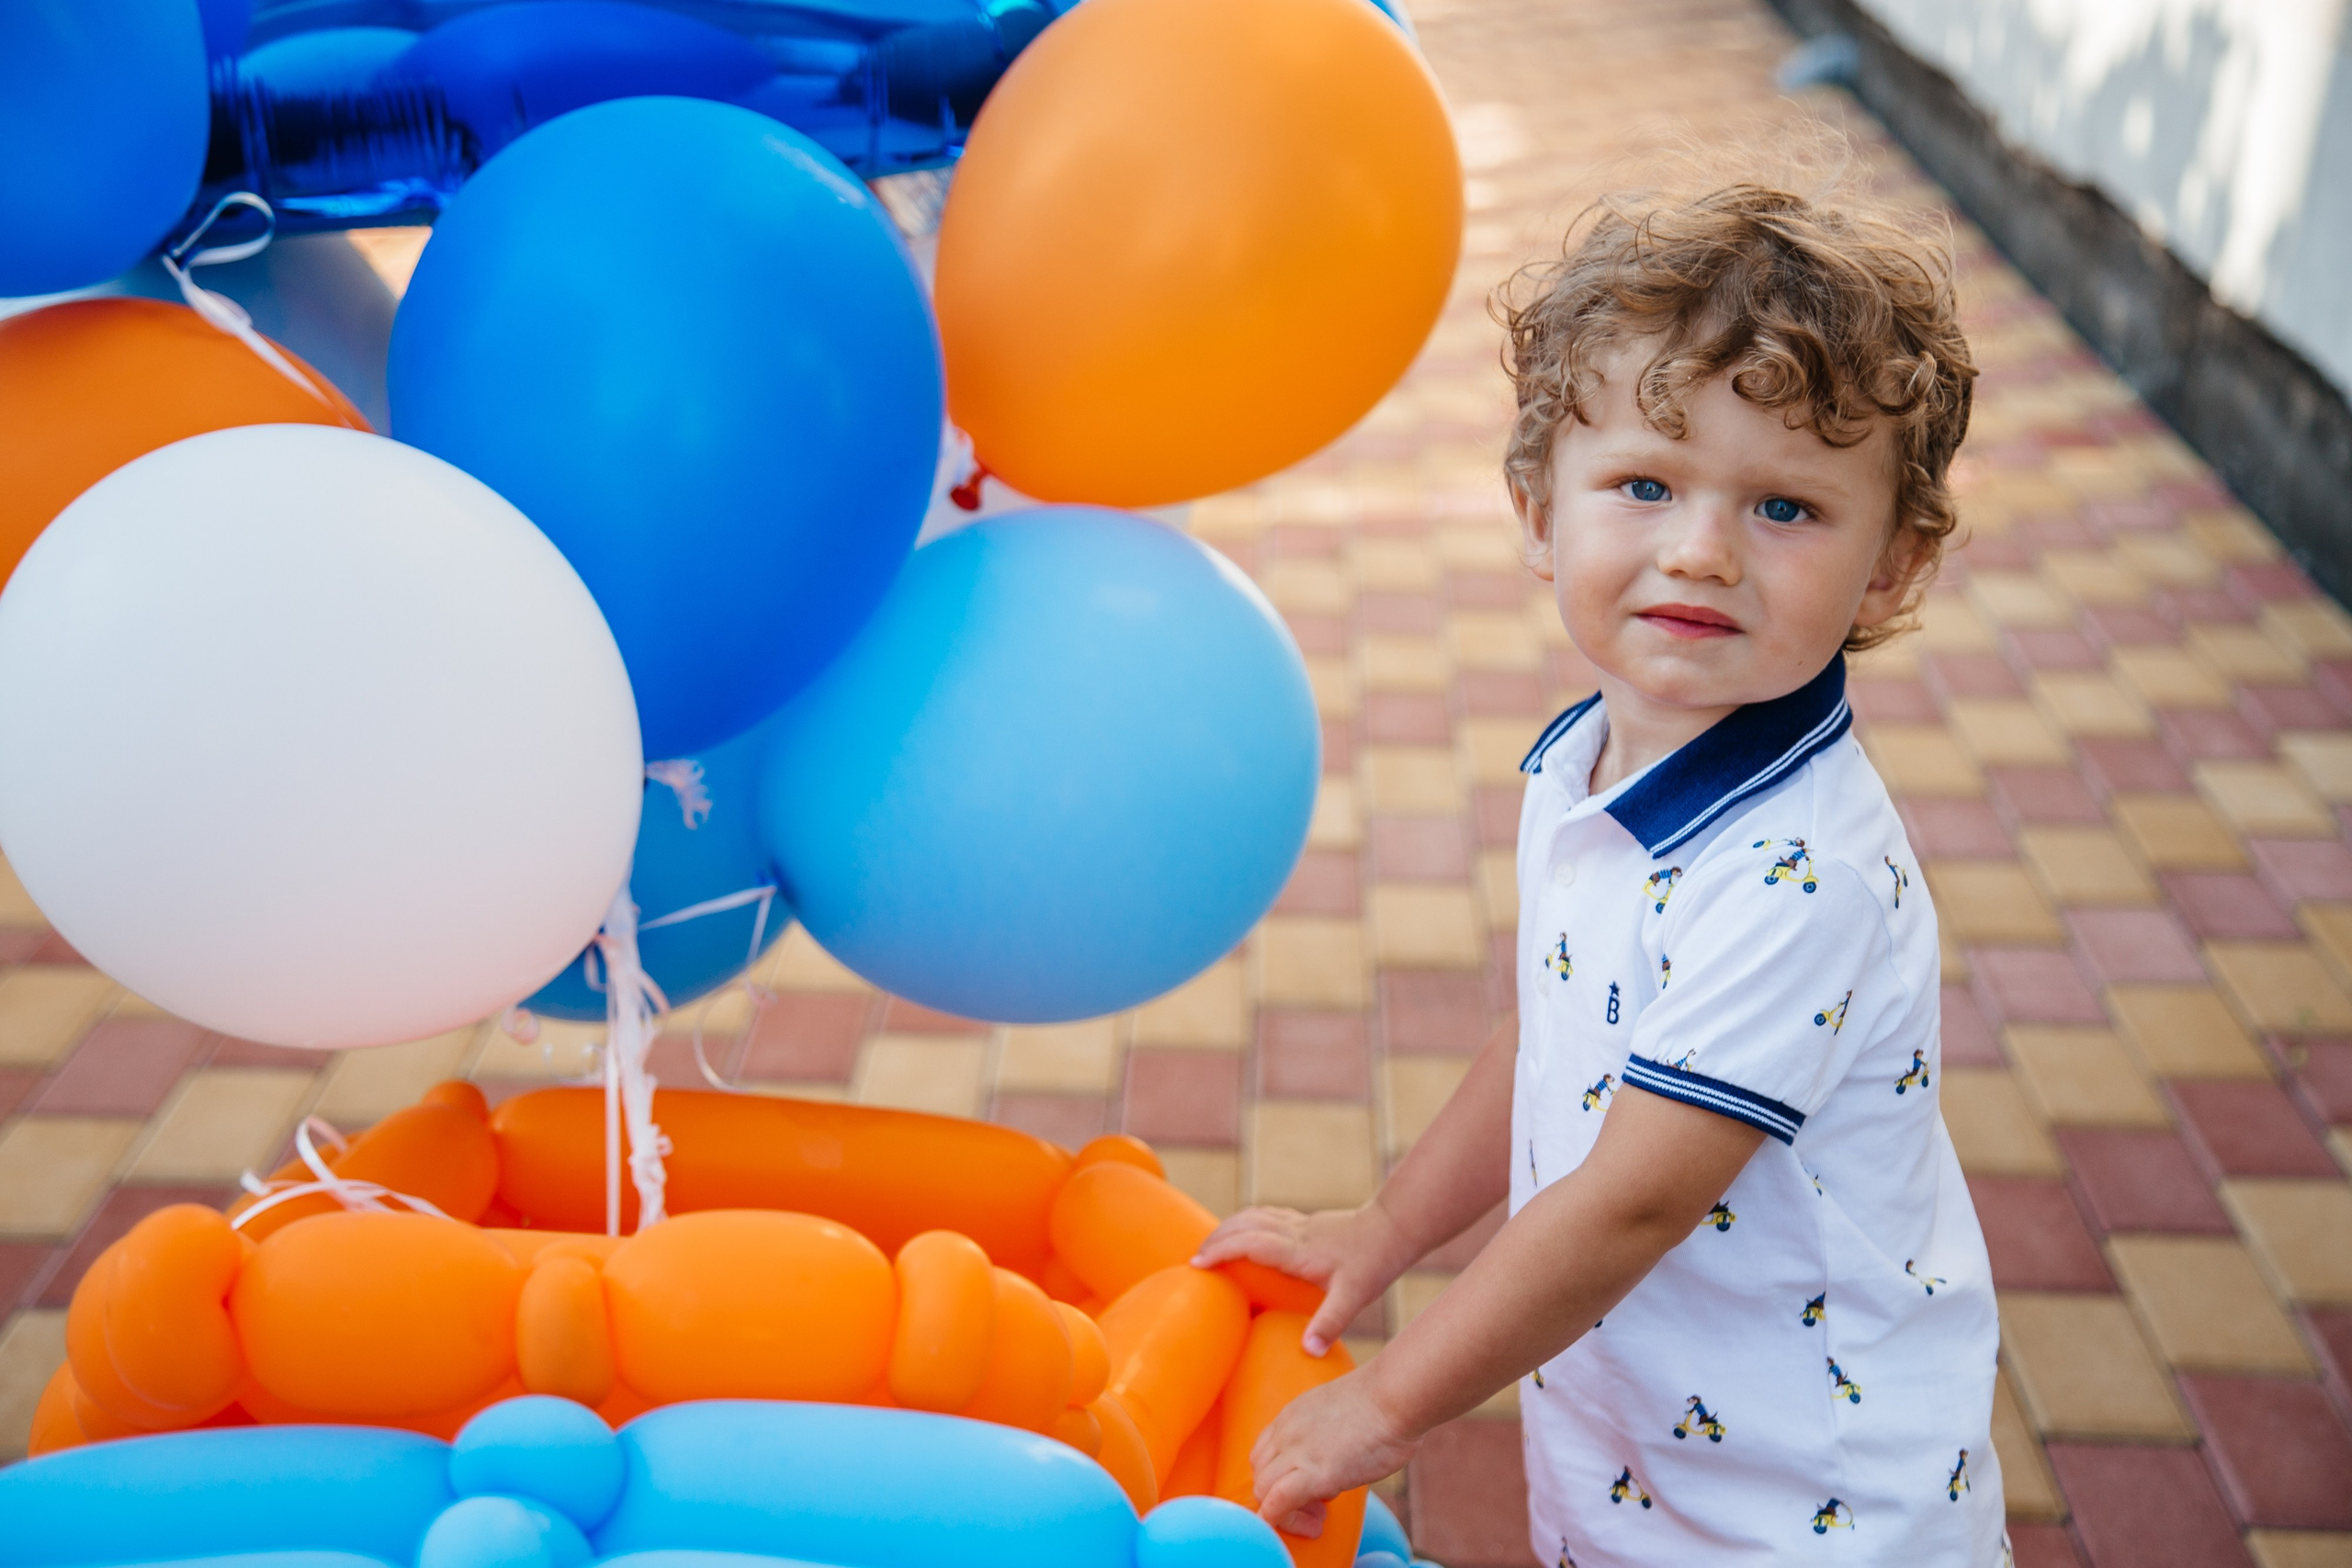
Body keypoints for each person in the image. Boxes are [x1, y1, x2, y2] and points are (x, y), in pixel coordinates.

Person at [1196, 180, 2005, 1564]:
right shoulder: (1598, 767)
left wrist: (1389, 1405)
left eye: (1788, 508)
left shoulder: (1791, 872)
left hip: (1806, 1512)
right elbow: (1566, 1028)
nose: (1700, 549)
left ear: (1892, 567)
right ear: (1536, 509)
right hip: (1649, 1455)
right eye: (1645, 484)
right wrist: (1382, 1232)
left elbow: (1637, 1193)